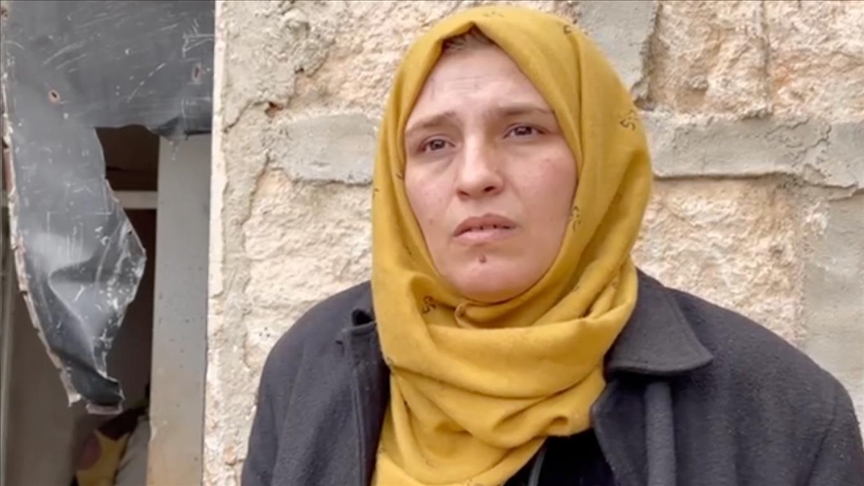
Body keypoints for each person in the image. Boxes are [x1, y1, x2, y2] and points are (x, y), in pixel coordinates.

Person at [242, 6, 864, 486]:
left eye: (523, 130)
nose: (474, 175)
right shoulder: (309, 369)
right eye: (435, 143)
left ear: (597, 162)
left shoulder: (783, 411)